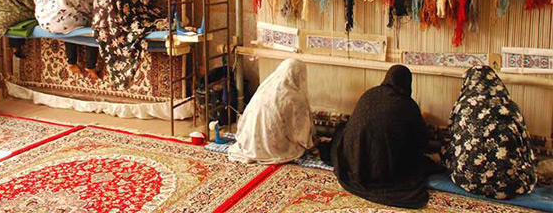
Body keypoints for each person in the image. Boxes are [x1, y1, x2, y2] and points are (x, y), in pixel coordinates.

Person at [330, 65, 434, 209]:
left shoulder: (370, 93)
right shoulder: (407, 105)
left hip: (356, 160)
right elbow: (422, 140)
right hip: (384, 166)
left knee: (342, 131)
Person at [441, 66, 537, 200]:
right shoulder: (508, 107)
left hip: (467, 180)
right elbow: (525, 143)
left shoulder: (462, 106)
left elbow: (450, 141)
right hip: (509, 185)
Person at [228, 58, 314, 164]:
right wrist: (310, 140)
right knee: (297, 146)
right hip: (274, 148)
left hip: (249, 143)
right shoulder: (294, 98)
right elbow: (298, 132)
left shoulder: (265, 89)